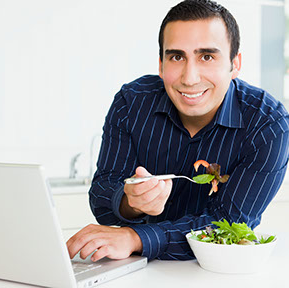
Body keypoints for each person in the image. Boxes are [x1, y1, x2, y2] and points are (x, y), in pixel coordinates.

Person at [66, 0, 289, 261]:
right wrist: (131, 203)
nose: (189, 77)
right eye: (176, 56)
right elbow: (102, 197)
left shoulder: (268, 125)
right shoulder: (131, 103)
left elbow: (230, 224)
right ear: (160, 65)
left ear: (234, 64)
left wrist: (137, 237)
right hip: (134, 271)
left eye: (207, 56)